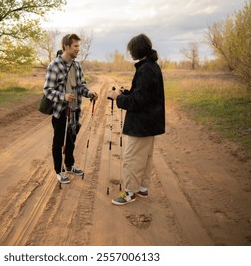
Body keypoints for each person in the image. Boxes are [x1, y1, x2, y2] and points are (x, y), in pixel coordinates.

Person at [107, 33, 165, 205]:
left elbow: (137, 101)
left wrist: (117, 98)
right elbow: (142, 95)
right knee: (145, 157)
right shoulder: (151, 66)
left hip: (142, 124)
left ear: (138, 50)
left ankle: (130, 193)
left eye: (131, 50)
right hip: (149, 123)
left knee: (132, 159)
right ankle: (142, 189)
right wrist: (124, 93)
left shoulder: (146, 69)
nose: (130, 53)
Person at [43, 33, 98, 184]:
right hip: (61, 111)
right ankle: (59, 171)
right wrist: (63, 96)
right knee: (59, 141)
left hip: (75, 110)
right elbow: (47, 90)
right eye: (75, 46)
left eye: (78, 46)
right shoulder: (54, 65)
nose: (78, 49)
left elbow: (81, 86)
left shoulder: (77, 65)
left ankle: (69, 165)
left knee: (71, 140)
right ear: (66, 46)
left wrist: (89, 93)